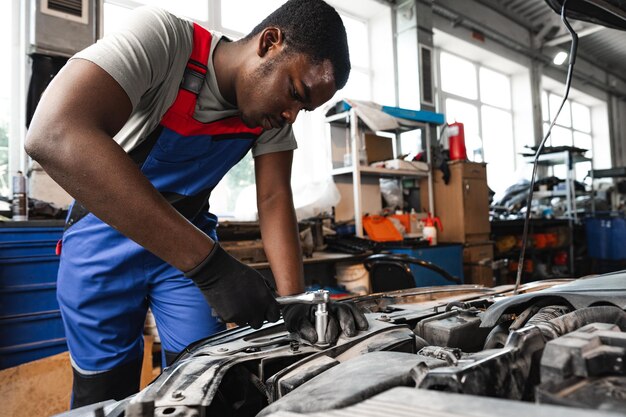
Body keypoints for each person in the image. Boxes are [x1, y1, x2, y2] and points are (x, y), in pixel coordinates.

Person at [25, 0, 368, 408]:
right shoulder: (163, 41)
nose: (292, 115)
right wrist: (211, 267)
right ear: (269, 43)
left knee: (204, 379)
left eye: (304, 109)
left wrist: (289, 310)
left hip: (186, 245)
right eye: (296, 93)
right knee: (104, 394)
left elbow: (275, 198)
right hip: (103, 239)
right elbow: (52, 134)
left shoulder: (269, 115)